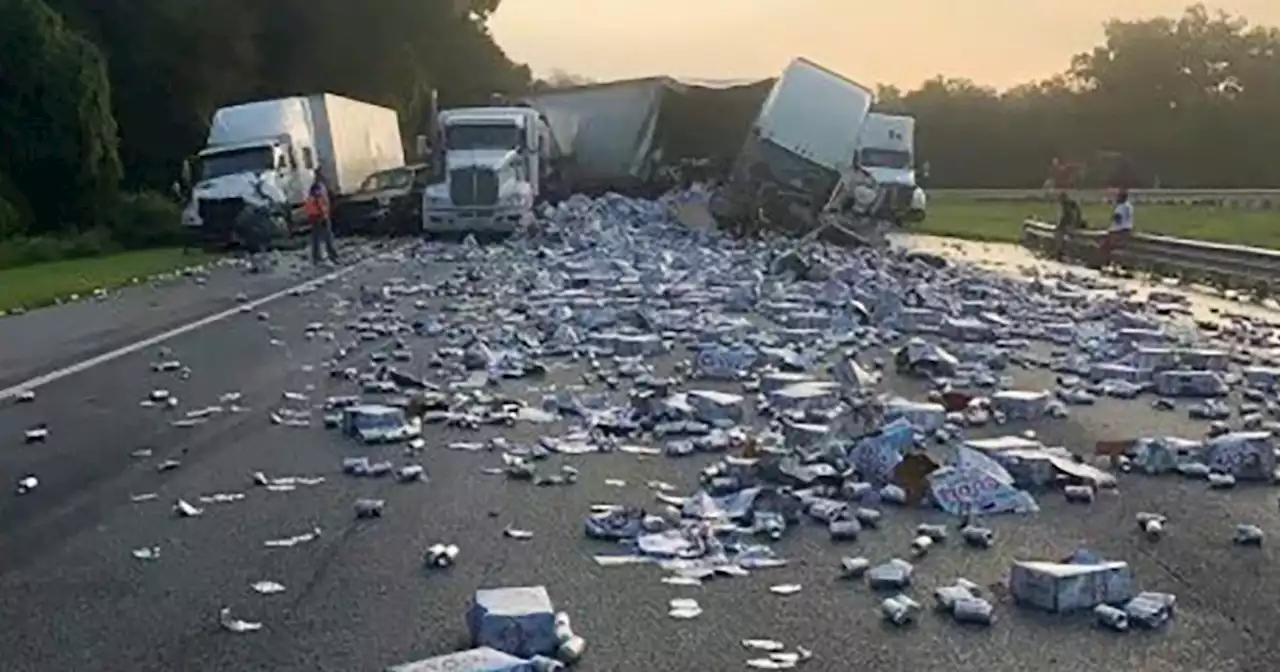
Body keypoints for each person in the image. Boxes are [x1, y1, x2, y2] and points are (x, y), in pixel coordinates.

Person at [305, 169, 340, 265]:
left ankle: (316, 257)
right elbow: (320, 203)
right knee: (327, 236)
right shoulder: (319, 188)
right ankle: (332, 255)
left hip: (315, 215)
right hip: (319, 215)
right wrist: (324, 215)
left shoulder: (315, 187)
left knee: (316, 237)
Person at [1098, 188, 1134, 268]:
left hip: (1119, 230)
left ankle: (1104, 262)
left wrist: (1113, 215)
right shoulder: (1129, 205)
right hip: (1127, 229)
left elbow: (1117, 218)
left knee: (1105, 245)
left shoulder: (1121, 207)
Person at [1053, 190, 1085, 259]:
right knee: (1062, 236)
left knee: (1060, 235)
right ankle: (1061, 251)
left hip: (1069, 225)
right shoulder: (1070, 204)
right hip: (1070, 225)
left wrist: (1060, 225)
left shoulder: (1067, 205)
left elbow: (1067, 217)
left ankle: (1060, 251)